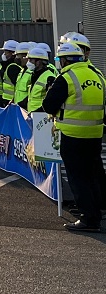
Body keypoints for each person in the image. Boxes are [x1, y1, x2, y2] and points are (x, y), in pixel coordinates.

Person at [41, 40, 106, 233]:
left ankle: (89, 218)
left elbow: (48, 106)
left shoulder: (67, 77)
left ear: (64, 60)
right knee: (93, 175)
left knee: (78, 178)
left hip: (72, 134)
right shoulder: (98, 75)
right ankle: (97, 210)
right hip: (95, 133)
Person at [24, 44, 60, 113]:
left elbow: (52, 101)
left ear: (39, 62)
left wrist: (37, 112)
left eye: (31, 60)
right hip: (32, 115)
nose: (28, 63)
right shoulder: (34, 76)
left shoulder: (49, 77)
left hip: (42, 117)